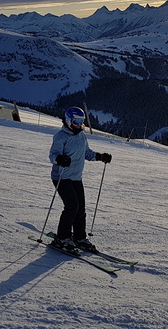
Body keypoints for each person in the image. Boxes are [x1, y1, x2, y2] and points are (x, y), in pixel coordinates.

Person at [49, 106, 112, 253]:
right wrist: (60, 159)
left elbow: (86, 153)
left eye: (82, 122)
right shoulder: (60, 137)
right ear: (69, 121)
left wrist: (100, 156)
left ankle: (79, 238)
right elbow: (52, 156)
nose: (79, 125)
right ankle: (62, 238)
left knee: (80, 209)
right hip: (61, 177)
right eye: (76, 122)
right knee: (72, 207)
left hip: (76, 177)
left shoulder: (81, 135)